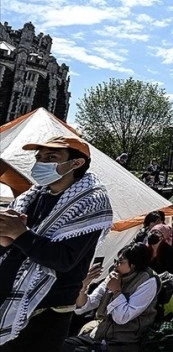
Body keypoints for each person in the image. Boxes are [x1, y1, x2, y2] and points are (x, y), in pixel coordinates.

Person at [0, 136, 112, 350]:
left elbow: (64, 259)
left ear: (76, 163)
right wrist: (6, 240)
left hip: (48, 310)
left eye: (51, 157)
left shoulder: (90, 203)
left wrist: (21, 235)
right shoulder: (33, 196)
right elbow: (17, 244)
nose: (41, 163)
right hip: (9, 297)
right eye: (39, 157)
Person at [64, 243, 159, 352]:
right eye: (116, 261)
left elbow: (122, 318)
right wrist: (84, 286)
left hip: (123, 340)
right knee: (63, 346)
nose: (116, 265)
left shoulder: (148, 281)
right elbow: (84, 307)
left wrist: (116, 291)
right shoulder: (114, 275)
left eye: (121, 262)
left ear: (133, 265)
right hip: (100, 334)